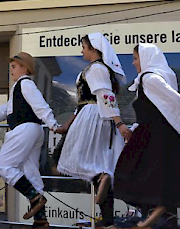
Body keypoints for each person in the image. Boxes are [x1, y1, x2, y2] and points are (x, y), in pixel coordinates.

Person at [114, 43, 180, 228]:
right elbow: (156, 109)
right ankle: (160, 214)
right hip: (157, 135)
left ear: (146, 59)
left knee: (136, 174)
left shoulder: (151, 78)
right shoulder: (155, 77)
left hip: (154, 137)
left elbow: (174, 102)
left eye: (136, 58)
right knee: (159, 177)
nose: (133, 62)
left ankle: (157, 211)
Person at [56, 33, 128, 227]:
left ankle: (99, 178)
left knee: (73, 157)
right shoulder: (96, 69)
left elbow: (105, 95)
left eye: (84, 47)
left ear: (94, 49)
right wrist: (67, 124)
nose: (81, 51)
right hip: (94, 115)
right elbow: (79, 104)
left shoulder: (97, 69)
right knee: (100, 163)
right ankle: (108, 221)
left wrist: (119, 123)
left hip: (94, 116)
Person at [0, 52, 61, 229]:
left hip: (25, 129)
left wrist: (53, 124)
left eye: (14, 66)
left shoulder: (25, 84)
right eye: (11, 66)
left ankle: (35, 197)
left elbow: (40, 105)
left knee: (4, 166)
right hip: (34, 131)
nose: (11, 69)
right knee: (31, 172)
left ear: (25, 68)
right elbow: (7, 108)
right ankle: (41, 221)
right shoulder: (19, 87)